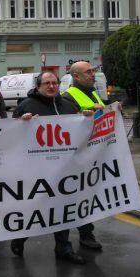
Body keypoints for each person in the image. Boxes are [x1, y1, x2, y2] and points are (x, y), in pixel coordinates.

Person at [11, 72, 95, 264]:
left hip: (64, 169)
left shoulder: (67, 105)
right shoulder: (27, 105)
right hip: (37, 170)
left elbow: (79, 130)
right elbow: (11, 135)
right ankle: (20, 237)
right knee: (37, 211)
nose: (51, 86)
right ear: (38, 86)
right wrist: (21, 122)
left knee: (62, 207)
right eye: (46, 83)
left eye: (54, 83)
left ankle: (63, 247)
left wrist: (86, 117)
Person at [58, 61, 105, 251]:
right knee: (71, 200)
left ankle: (86, 234)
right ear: (76, 76)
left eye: (93, 71)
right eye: (88, 72)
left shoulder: (92, 92)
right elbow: (69, 126)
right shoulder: (68, 97)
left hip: (92, 154)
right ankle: (77, 237)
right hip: (76, 158)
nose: (93, 75)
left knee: (86, 198)